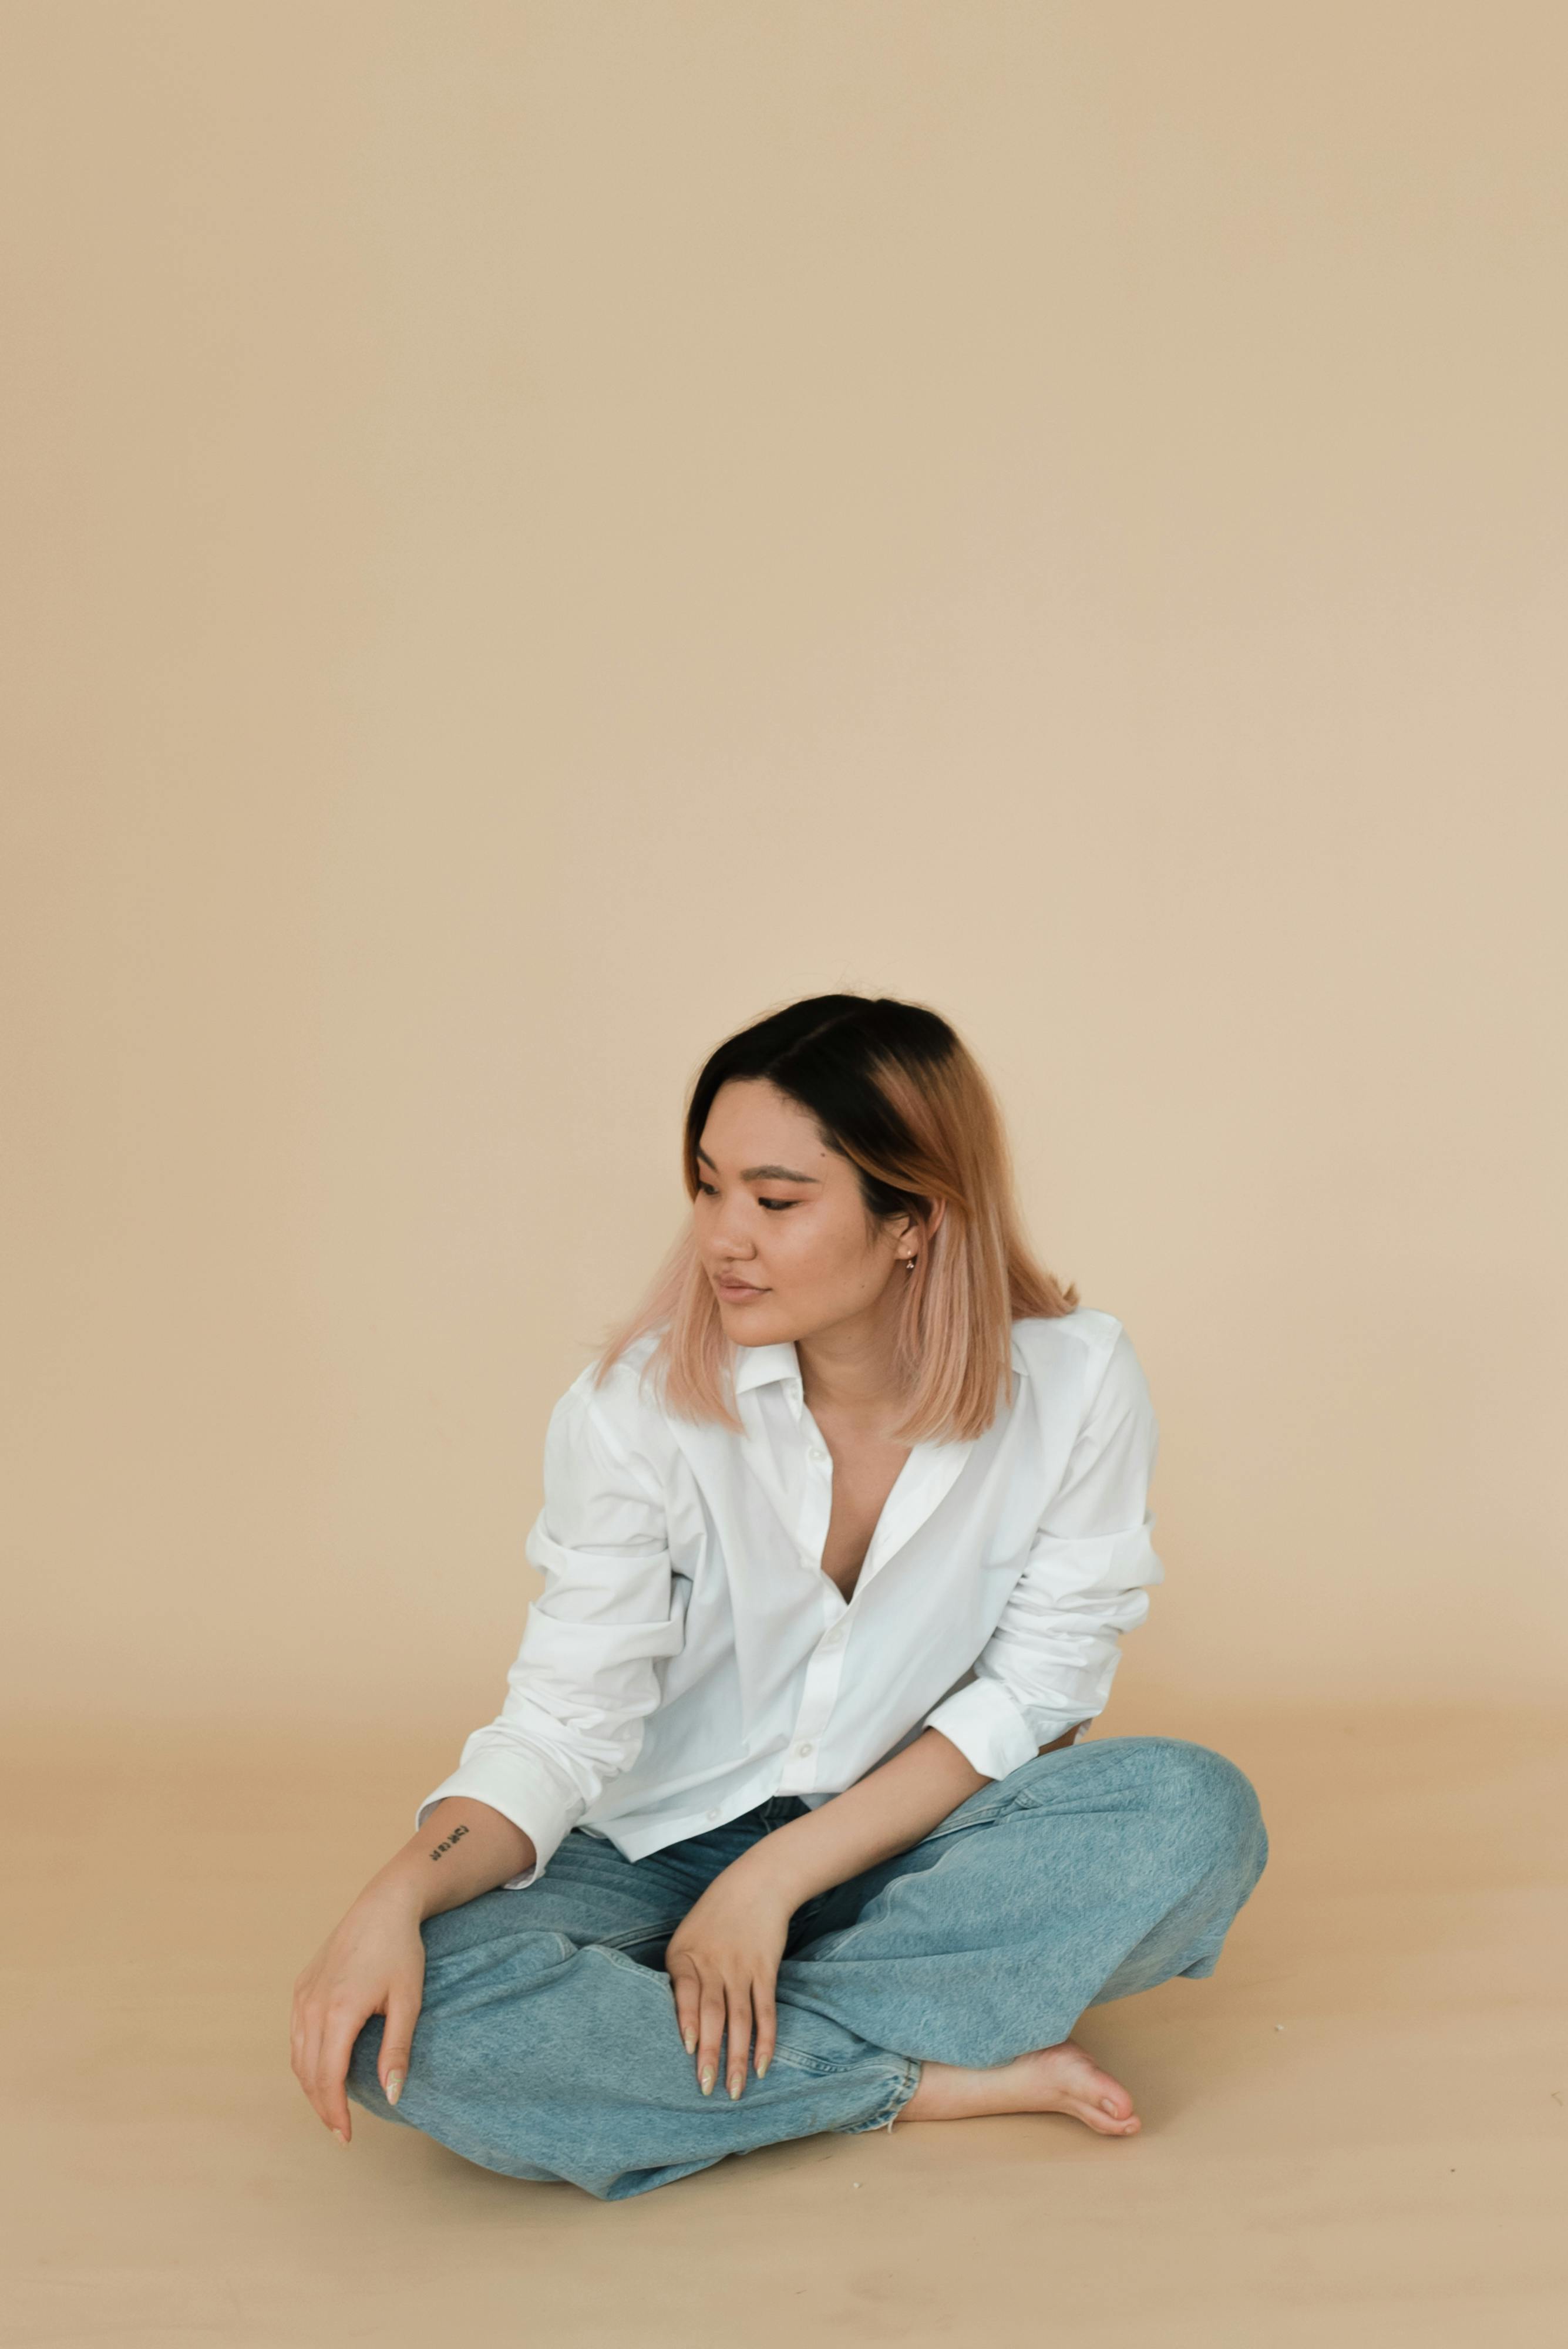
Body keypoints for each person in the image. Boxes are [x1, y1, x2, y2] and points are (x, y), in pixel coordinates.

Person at [290, 992, 1268, 2201]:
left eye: (775, 1198)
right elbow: (563, 1721)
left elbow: (1042, 1694)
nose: (721, 1237)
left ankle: (719, 2043)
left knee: (1193, 1815)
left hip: (898, 1839)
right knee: (417, 2034)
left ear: (914, 1216)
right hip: (655, 1845)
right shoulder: (634, 1410)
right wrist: (396, 1889)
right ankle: (917, 2071)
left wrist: (771, 1882)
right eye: (706, 1187)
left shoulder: (1075, 1383)